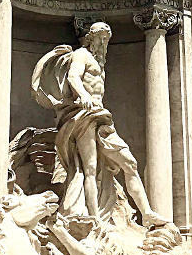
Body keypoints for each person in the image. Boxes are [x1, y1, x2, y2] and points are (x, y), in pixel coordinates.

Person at [32, 21, 166, 228]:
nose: (103, 42)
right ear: (90, 38)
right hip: (83, 115)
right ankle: (95, 220)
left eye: (106, 39)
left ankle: (146, 213)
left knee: (129, 163)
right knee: (90, 168)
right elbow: (73, 76)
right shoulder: (81, 55)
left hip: (101, 117)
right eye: (100, 38)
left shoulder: (99, 61)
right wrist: (83, 95)